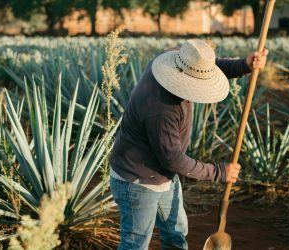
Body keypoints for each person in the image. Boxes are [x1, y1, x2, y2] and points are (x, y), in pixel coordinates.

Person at [109, 39, 268, 250]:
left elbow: (206, 66)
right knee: (135, 244)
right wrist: (218, 172)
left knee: (176, 233)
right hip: (136, 182)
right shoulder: (162, 109)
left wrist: (243, 65)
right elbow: (173, 159)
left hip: (162, 176)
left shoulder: (175, 60)